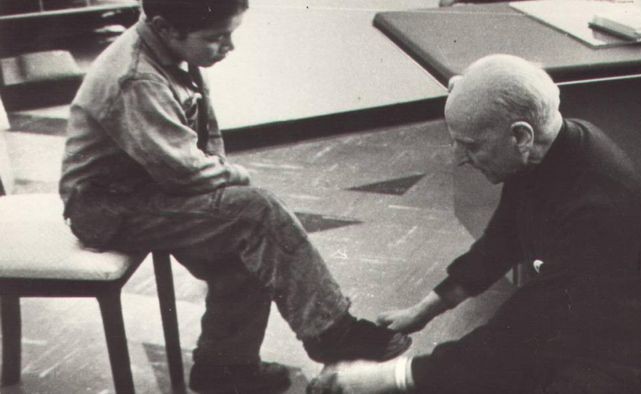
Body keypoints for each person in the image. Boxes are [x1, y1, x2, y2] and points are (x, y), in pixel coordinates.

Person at [58, 1, 411, 393]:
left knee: (249, 244)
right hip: (106, 207)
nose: (228, 47)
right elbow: (184, 171)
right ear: (164, 27)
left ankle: (224, 370)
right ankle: (330, 331)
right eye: (216, 38)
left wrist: (227, 185)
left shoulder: (168, 50)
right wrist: (238, 178)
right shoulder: (137, 77)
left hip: (146, 187)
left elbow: (204, 140)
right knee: (255, 214)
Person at [307, 54, 641, 394]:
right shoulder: (549, 150)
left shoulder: (597, 210)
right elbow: (501, 241)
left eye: (471, 144)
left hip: (636, 356)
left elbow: (522, 332)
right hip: (585, 329)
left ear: (520, 136)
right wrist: (424, 310)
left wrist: (387, 377)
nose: (459, 157)